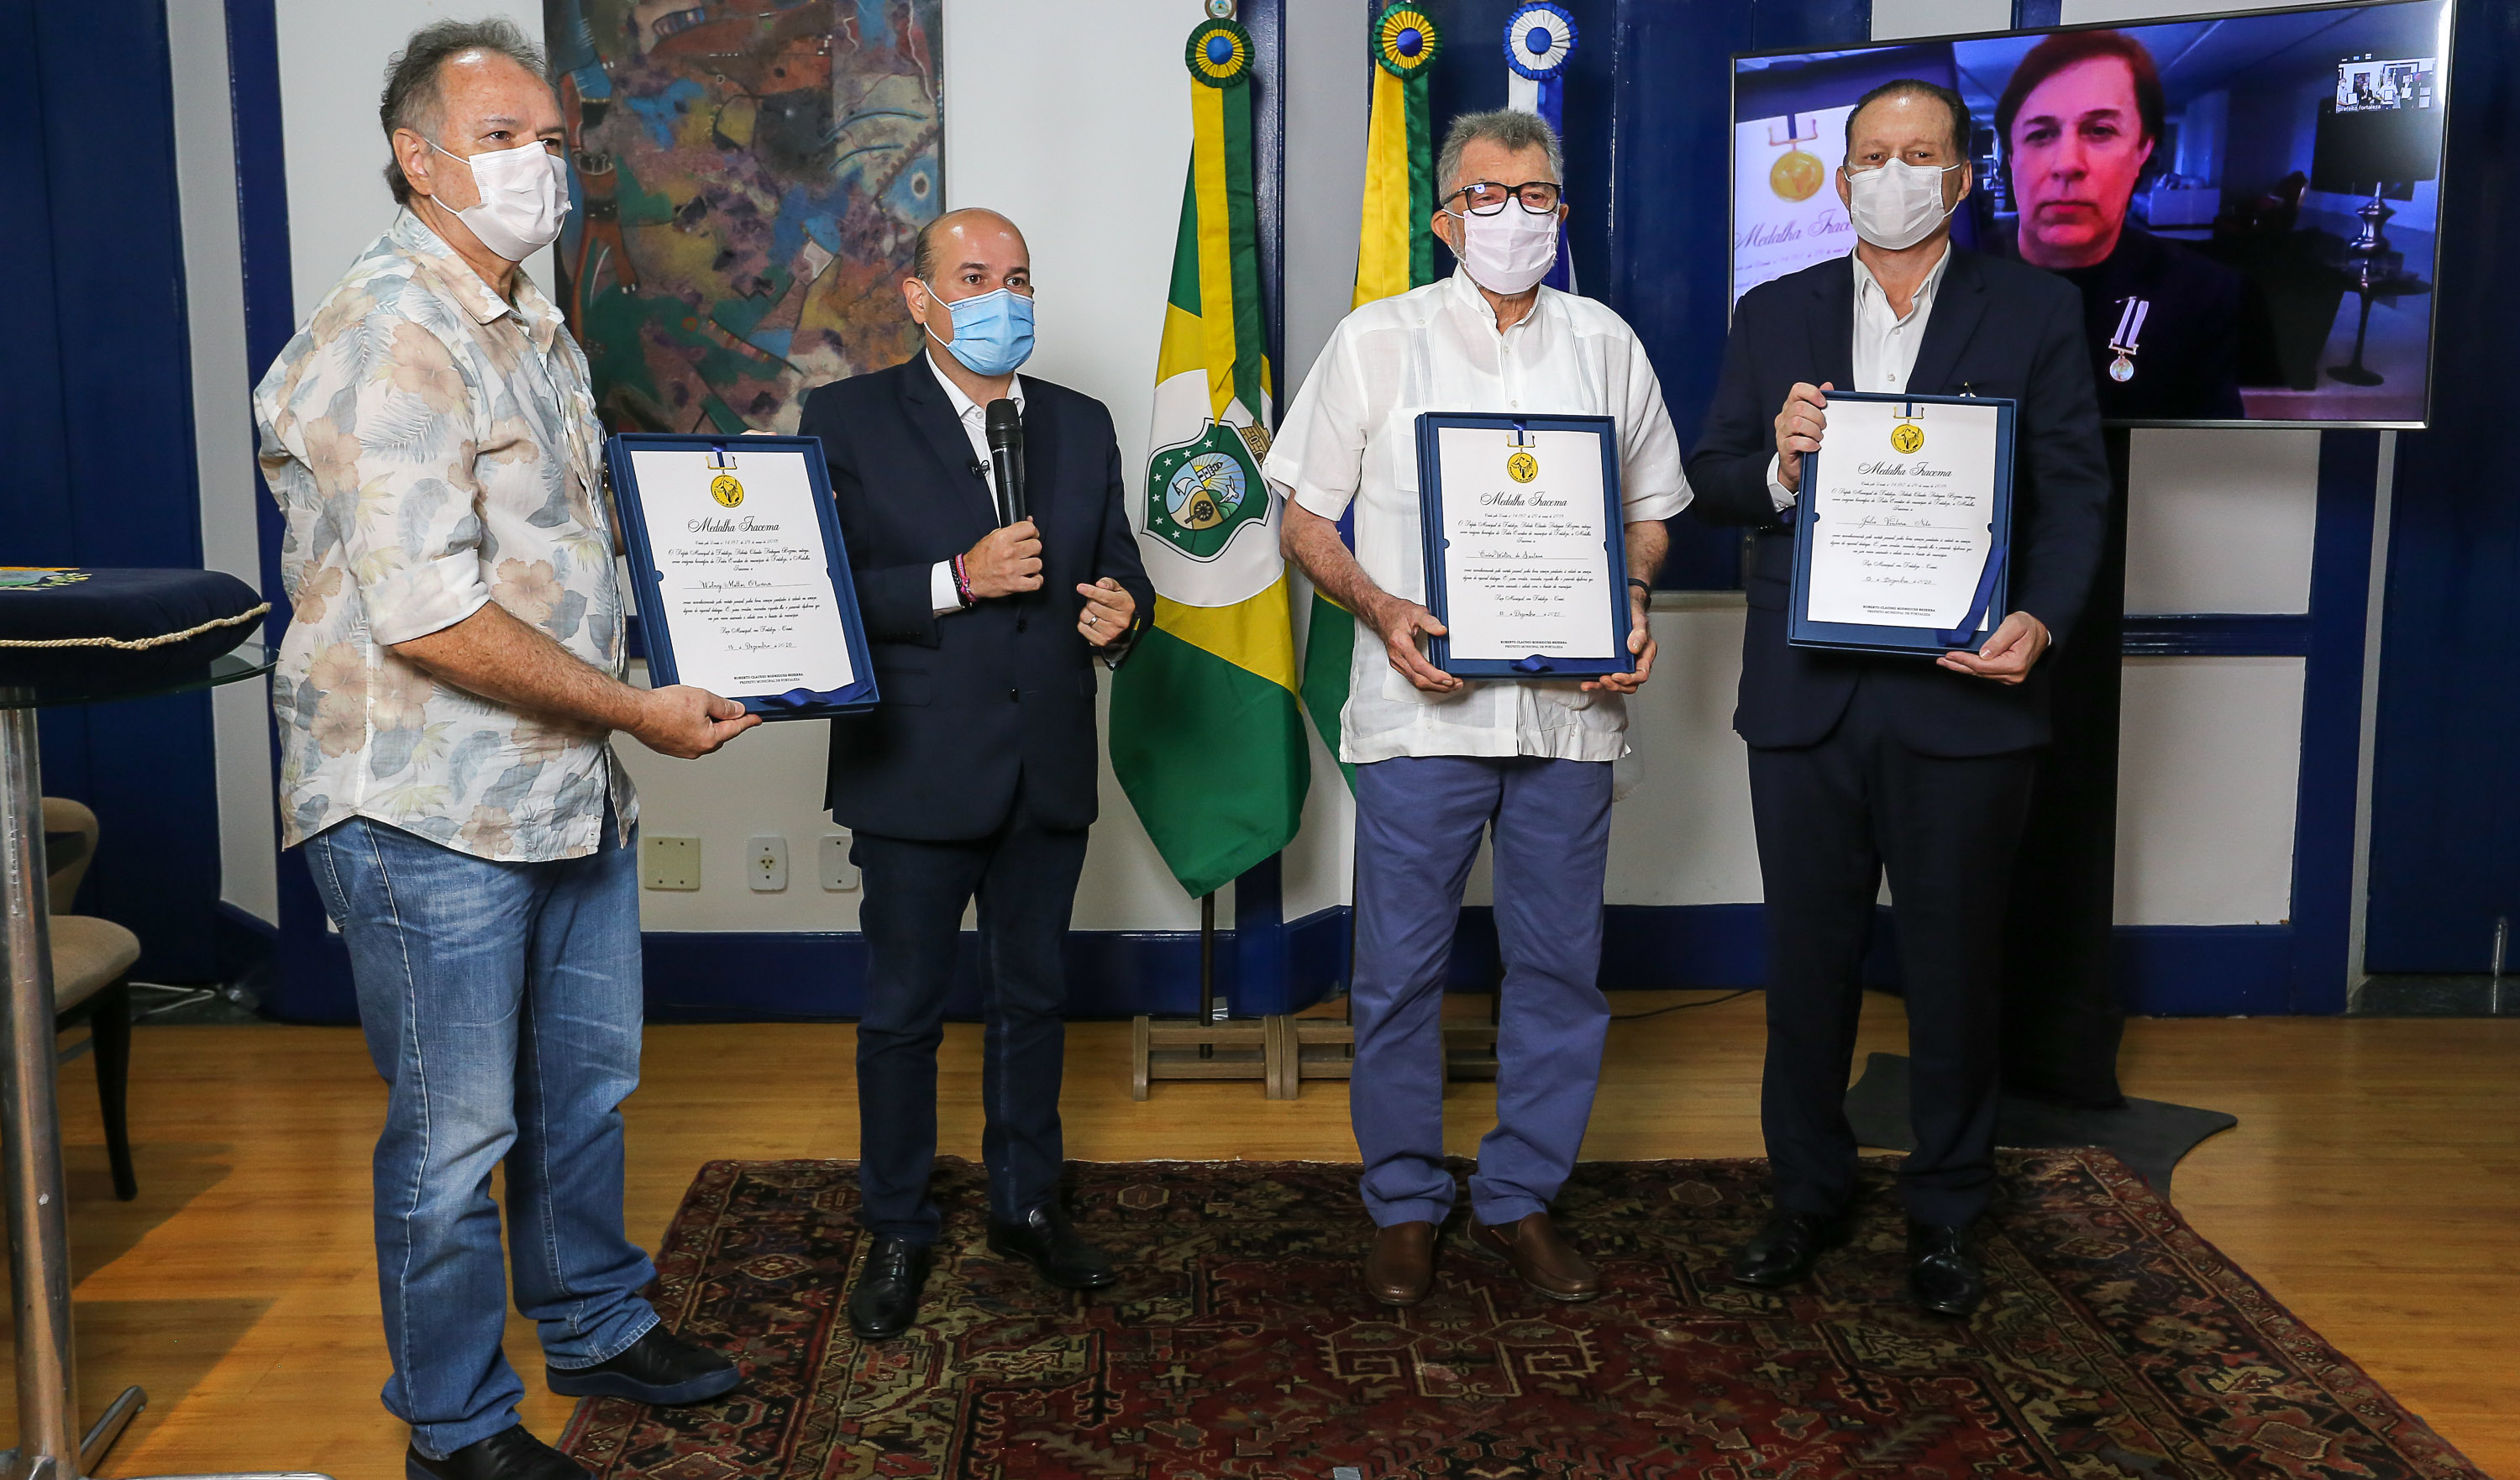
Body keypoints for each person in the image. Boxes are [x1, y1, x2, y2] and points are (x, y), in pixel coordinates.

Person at [252, 21, 754, 1480]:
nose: (540, 164)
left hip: (560, 780)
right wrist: (641, 708)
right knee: (456, 1133)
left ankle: (592, 1320)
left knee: (583, 1088)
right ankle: (458, 1425)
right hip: (424, 801)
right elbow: (427, 614)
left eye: (549, 138)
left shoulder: (528, 319)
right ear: (418, 158)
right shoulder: (390, 332)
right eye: (499, 138)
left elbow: (561, 554)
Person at [1685, 80, 2108, 1316]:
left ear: (1963, 178)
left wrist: (2043, 619)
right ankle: (1804, 1195)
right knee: (1805, 964)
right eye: (1872, 155)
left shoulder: (2035, 310)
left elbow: (2075, 489)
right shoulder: (1775, 312)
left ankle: (1948, 1210)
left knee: (1957, 966)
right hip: (1806, 697)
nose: (1894, 174)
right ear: (1841, 178)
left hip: (1964, 698)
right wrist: (1779, 464)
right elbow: (1713, 479)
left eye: (1919, 154)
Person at [1268, 111, 1687, 1309]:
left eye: (1537, 194)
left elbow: (1651, 512)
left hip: (1568, 716)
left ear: (1563, 210)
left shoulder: (1606, 344)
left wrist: (1633, 594)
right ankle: (1405, 1200)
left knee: (1559, 969)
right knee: (1399, 970)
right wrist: (1379, 603)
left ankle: (1520, 1195)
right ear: (1447, 219)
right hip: (1425, 714)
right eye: (1489, 196)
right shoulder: (1375, 340)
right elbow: (1304, 520)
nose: (1515, 216)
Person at [796, 207, 1154, 1341]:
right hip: (915, 764)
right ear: (919, 299)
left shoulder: (1082, 423)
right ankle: (897, 1222)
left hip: (1046, 762)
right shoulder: (847, 419)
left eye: (1020, 279)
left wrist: (1123, 613)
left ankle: (1026, 1202)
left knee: (1033, 997)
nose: (1005, 298)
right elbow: (821, 590)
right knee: (904, 1011)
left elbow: (1120, 562)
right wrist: (957, 577)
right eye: (975, 276)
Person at [1999, 29, 2250, 420]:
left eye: (2100, 130)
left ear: (2142, 150)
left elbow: (2208, 449)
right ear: (2012, 155)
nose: (2067, 164)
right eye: (2041, 134)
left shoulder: (2202, 294)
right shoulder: (1945, 280)